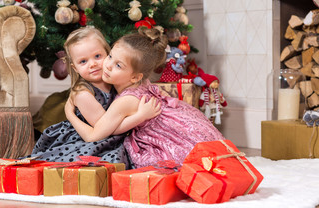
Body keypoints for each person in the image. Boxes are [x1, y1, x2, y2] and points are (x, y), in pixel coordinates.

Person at [65, 27, 225, 168]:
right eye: (111, 56)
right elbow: (115, 127)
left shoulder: (124, 102)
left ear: (135, 77)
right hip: (183, 122)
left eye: (118, 65)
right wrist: (140, 116)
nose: (107, 65)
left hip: (170, 135)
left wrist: (69, 113)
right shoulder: (142, 82)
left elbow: (95, 135)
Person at [29, 27, 160, 168]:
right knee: (110, 162)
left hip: (113, 133)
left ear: (108, 53)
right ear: (75, 68)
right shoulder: (83, 94)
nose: (93, 64)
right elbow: (106, 130)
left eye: (98, 56)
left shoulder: (112, 78)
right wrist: (140, 116)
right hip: (92, 138)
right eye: (83, 62)